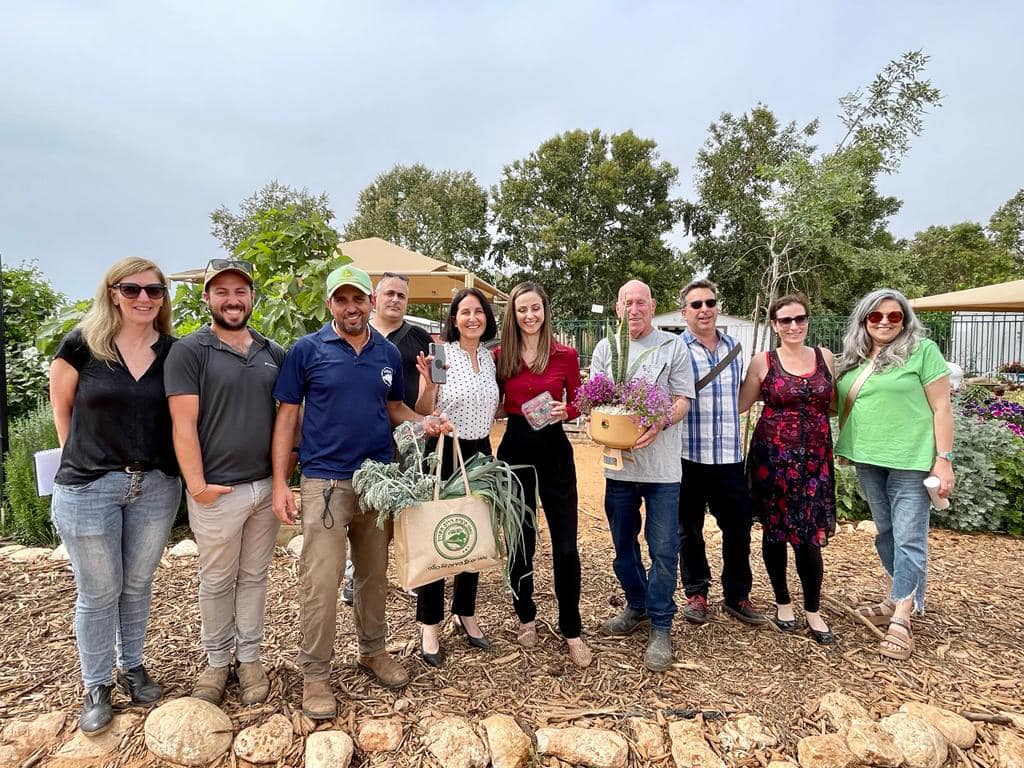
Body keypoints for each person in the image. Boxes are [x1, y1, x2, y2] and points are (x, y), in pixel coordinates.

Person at [270, 263, 447, 719]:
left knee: (372, 576)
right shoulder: (306, 350)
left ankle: (373, 651)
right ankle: (315, 674)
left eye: (358, 299)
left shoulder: (387, 353)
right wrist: (279, 482)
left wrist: (424, 422)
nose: (352, 307)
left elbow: (394, 408)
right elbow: (287, 418)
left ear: (369, 302)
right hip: (325, 482)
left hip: (378, 482)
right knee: (322, 580)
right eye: (342, 299)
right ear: (330, 304)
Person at [48, 257, 181, 735]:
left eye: (154, 290)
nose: (144, 298)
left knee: (137, 583)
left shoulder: (173, 351)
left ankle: (133, 665)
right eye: (132, 289)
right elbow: (61, 408)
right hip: (89, 487)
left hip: (156, 485)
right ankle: (96, 683)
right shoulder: (82, 346)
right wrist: (79, 457)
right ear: (112, 293)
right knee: (98, 590)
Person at [165, 258, 288, 706]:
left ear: (252, 297)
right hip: (218, 491)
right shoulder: (190, 351)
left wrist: (282, 478)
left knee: (254, 577)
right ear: (207, 297)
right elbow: (183, 423)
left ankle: (250, 658)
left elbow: (288, 419)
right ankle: (217, 661)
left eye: (240, 291)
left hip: (262, 487)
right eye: (222, 292)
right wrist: (197, 486)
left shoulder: (272, 352)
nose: (232, 300)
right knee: (216, 581)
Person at [835, 288, 953, 660]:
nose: (885, 322)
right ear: (864, 319)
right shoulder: (853, 359)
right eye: (876, 316)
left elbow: (942, 407)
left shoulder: (923, 352)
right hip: (868, 458)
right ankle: (897, 594)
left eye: (894, 316)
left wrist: (944, 458)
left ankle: (903, 614)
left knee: (909, 536)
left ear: (905, 319)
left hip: (912, 460)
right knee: (886, 534)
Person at [591, 280, 693, 673]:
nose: (633, 309)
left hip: (663, 468)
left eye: (640, 303)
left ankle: (662, 625)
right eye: (627, 303)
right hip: (619, 467)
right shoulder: (606, 348)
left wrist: (661, 420)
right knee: (622, 545)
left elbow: (683, 398)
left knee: (664, 547)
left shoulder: (673, 346)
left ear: (652, 307)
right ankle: (637, 605)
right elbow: (597, 400)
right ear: (618, 308)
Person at [493, 282, 591, 668]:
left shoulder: (565, 355)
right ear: (513, 315)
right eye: (522, 310)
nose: (529, 316)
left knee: (566, 544)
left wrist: (565, 412)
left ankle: (571, 627)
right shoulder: (501, 356)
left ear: (545, 311)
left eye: (535, 308)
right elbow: (496, 404)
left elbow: (581, 399)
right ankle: (526, 615)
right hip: (516, 449)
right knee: (521, 540)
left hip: (555, 451)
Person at [738, 293, 836, 644]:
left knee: (810, 537)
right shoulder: (763, 362)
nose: (793, 326)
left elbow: (835, 404)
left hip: (814, 462)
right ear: (774, 325)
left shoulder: (825, 357)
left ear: (808, 320)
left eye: (799, 318)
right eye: (785, 320)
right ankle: (783, 602)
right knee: (775, 532)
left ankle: (813, 608)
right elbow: (741, 403)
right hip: (773, 459)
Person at [332, 272, 435, 606]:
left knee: (405, 512)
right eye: (389, 293)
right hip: (361, 442)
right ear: (374, 298)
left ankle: (412, 573)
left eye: (401, 296)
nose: (395, 300)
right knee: (361, 511)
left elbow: (423, 403)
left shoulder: (421, 339)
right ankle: (353, 576)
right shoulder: (354, 331)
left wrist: (429, 399)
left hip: (406, 442)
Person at [413, 287, 500, 668]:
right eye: (464, 312)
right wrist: (430, 387)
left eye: (478, 312)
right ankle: (429, 623)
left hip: (480, 452)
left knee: (473, 535)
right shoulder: (440, 355)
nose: (472, 318)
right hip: (446, 452)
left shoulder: (489, 357)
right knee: (440, 535)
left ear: (486, 317)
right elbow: (421, 410)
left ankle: (465, 610)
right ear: (453, 318)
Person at [677, 279, 767, 627]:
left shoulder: (734, 347)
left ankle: (736, 595)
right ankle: (696, 592)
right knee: (689, 529)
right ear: (684, 312)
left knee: (738, 528)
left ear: (717, 307)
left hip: (729, 455)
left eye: (709, 303)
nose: (704, 310)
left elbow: (743, 396)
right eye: (696, 304)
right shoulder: (675, 348)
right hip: (689, 454)